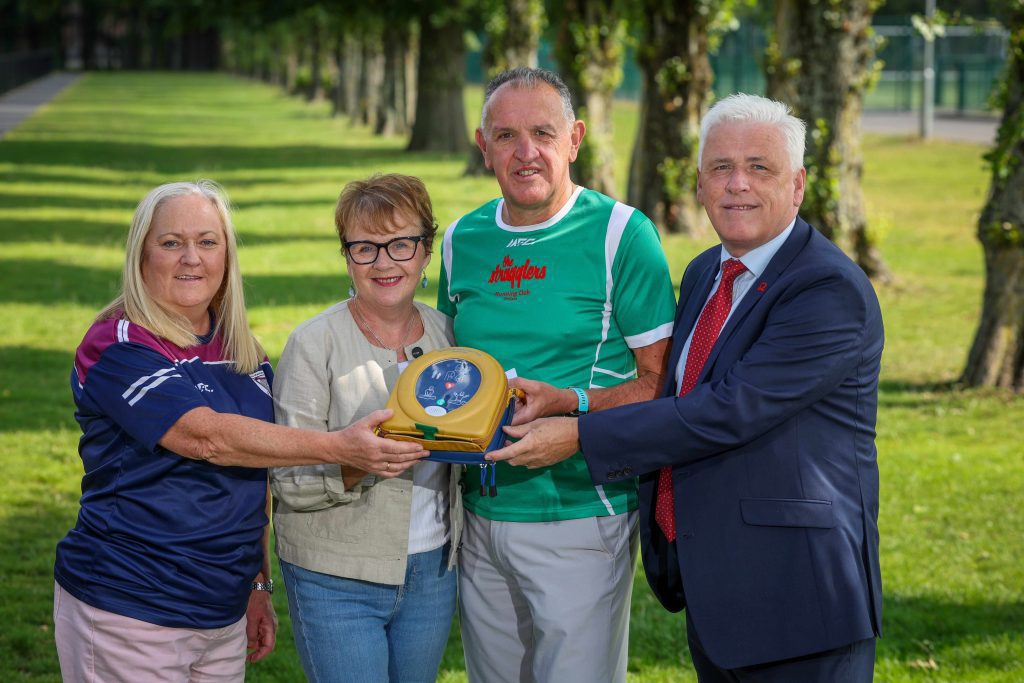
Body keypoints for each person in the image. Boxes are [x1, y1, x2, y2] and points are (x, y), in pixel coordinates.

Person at [490, 93, 884, 681]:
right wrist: (572, 399)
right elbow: (672, 394)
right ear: (699, 184)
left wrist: (579, 436)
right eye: (721, 168)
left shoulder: (827, 290)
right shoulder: (706, 270)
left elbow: (727, 410)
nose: (737, 185)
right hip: (719, 588)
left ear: (798, 185)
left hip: (800, 599)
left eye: (760, 168)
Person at [54, 180, 426, 683]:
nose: (192, 258)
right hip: (132, 603)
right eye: (171, 242)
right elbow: (205, 438)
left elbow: (255, 472)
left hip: (221, 608)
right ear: (141, 255)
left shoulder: (239, 346)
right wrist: (339, 446)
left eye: (208, 242)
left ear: (227, 256)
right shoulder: (119, 343)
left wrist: (258, 585)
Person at [437, 67, 677, 682]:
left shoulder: (622, 234)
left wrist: (572, 404)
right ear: (481, 144)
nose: (526, 152)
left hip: (581, 512)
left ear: (574, 139)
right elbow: (448, 371)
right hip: (480, 515)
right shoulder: (462, 238)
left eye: (542, 133)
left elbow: (661, 383)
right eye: (506, 135)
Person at [270, 173, 462, 683]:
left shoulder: (451, 338)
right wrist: (358, 463)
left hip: (433, 571)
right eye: (364, 248)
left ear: (425, 253)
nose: (383, 262)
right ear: (346, 256)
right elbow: (288, 481)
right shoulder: (313, 344)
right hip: (334, 575)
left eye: (400, 244)